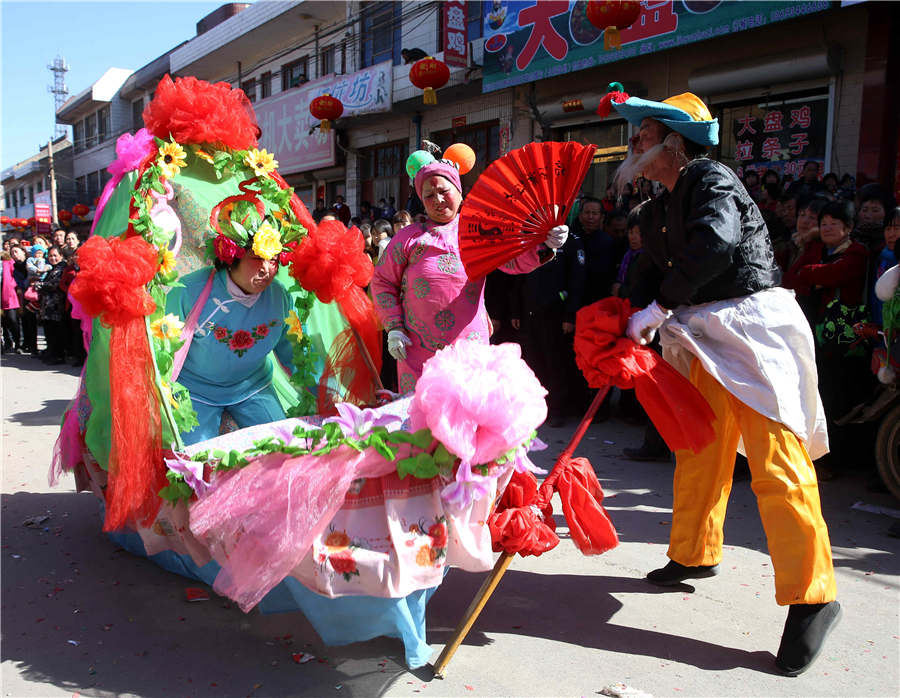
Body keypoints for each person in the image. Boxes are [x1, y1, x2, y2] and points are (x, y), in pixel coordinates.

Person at [607, 89, 839, 676]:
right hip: (703, 336)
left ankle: (814, 597)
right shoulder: (657, 206)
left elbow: (717, 243)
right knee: (700, 446)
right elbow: (651, 271)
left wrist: (657, 306)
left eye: (641, 136)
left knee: (777, 464)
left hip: (752, 331)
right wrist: (622, 322)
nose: (633, 146)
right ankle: (693, 553)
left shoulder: (712, 179)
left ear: (673, 142)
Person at [370, 148, 567, 393]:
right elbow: (382, 282)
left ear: (458, 191)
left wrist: (545, 244)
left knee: (468, 412)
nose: (438, 200)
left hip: (468, 344)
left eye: (443, 191)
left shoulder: (477, 231)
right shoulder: (408, 238)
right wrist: (395, 327)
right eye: (429, 195)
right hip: (417, 348)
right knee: (422, 419)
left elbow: (513, 261)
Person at [783, 200, 872, 476]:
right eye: (823, 224)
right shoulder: (818, 250)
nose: (828, 228)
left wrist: (814, 275)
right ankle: (822, 459)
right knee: (820, 398)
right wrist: (814, 270)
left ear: (849, 227)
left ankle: (838, 462)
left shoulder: (857, 253)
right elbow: (792, 279)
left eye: (835, 223)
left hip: (848, 342)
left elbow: (836, 273)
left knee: (840, 401)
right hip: (820, 338)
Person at [34, 245, 68, 364]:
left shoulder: (62, 268)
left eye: (55, 255)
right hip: (47, 306)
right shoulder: (50, 268)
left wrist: (40, 285)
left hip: (57, 306)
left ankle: (59, 355)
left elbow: (55, 284)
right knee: (49, 330)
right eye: (51, 256)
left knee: (57, 332)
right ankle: (51, 352)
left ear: (61, 256)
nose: (53, 258)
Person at [1, 251, 21, 353]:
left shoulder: (8, 261)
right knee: (2, 323)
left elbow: (16, 276)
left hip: (8, 295)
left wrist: (11, 285)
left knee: (12, 320)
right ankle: (4, 343)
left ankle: (17, 343)